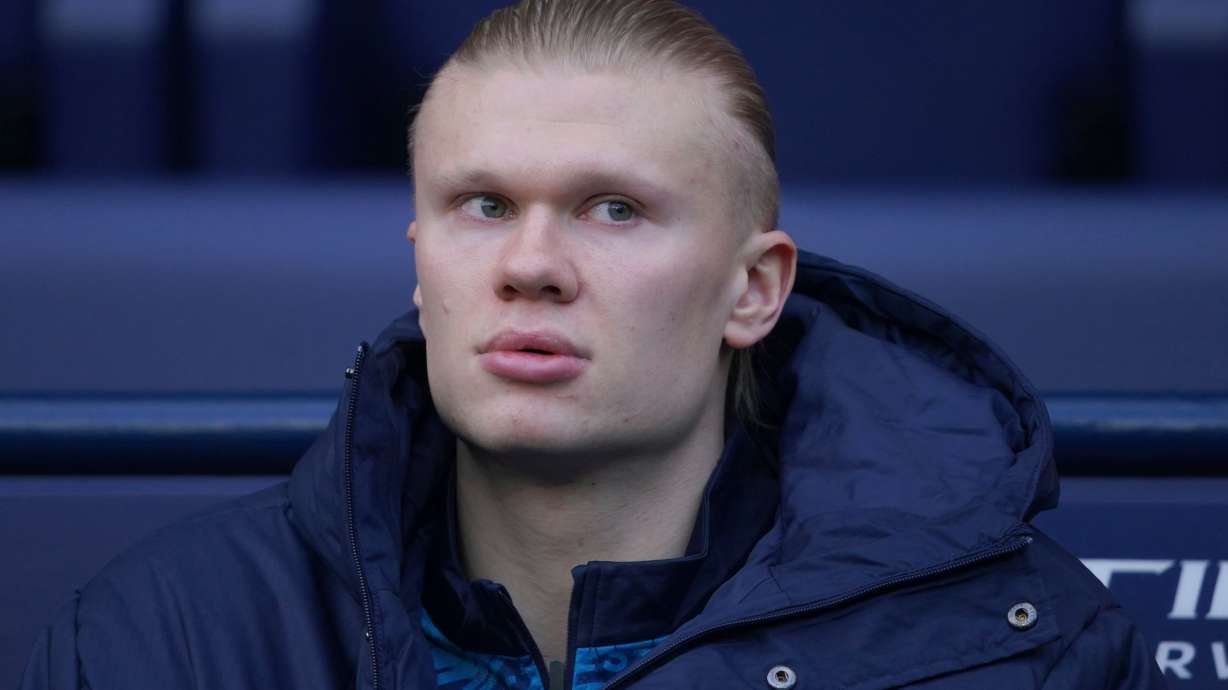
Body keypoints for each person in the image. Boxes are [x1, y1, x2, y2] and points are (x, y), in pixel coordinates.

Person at [21, 1, 1165, 688]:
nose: (529, 263)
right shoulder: (159, 636)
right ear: (422, 259)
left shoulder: (1023, 651)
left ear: (753, 289)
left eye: (613, 209)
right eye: (481, 206)